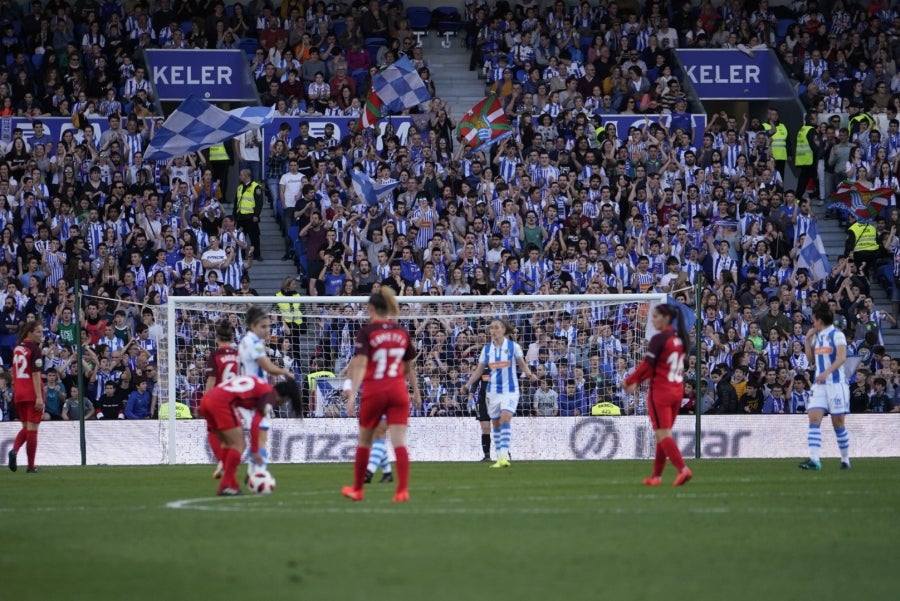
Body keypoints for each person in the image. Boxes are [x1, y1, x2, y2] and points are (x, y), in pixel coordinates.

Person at [341, 288, 422, 502]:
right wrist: (415, 392)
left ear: (370, 309)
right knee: (399, 442)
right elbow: (408, 367)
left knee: (364, 441)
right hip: (398, 390)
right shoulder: (401, 332)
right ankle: (402, 490)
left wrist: (351, 393)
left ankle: (358, 489)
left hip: (375, 390)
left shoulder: (368, 332)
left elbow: (359, 364)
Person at [622, 304, 693, 486]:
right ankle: (656, 476)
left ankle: (683, 469)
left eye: (655, 316)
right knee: (663, 434)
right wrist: (637, 382)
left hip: (660, 392)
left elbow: (647, 364)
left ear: (666, 318)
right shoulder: (679, 338)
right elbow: (657, 365)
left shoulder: (659, 339)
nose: (652, 320)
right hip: (677, 390)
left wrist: (629, 380)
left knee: (663, 434)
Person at [198, 375, 300, 495]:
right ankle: (226, 485)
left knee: (228, 444)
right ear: (285, 398)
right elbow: (256, 423)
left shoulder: (261, 385)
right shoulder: (269, 397)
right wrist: (256, 451)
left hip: (208, 398)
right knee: (239, 444)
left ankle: (232, 484)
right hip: (222, 403)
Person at [461, 319, 538, 469]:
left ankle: (503, 455)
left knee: (504, 418)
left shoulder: (513, 347)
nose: (493, 331)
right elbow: (478, 370)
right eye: (491, 328)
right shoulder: (487, 350)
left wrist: (530, 375)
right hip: (492, 392)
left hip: (510, 390)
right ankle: (499, 455)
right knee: (495, 423)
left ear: (503, 330)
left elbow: (522, 364)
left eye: (496, 328)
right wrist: (467, 385)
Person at [238, 307, 294, 471]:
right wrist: (285, 372)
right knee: (261, 436)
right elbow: (266, 365)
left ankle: (252, 473)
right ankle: (260, 475)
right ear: (254, 326)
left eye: (268, 326)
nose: (267, 330)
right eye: (263, 326)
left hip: (251, 391)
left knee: (258, 437)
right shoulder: (252, 342)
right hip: (254, 393)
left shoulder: (246, 341)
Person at [799, 303, 852, 470]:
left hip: (836, 384)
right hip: (819, 386)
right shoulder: (817, 336)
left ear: (819, 320)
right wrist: (807, 340)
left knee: (838, 424)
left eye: (814, 319)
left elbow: (842, 358)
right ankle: (814, 460)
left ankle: (845, 459)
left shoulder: (837, 335)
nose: (812, 323)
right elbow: (810, 360)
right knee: (813, 418)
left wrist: (826, 372)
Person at [205, 320, 240, 479]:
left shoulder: (215, 355)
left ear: (217, 338)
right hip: (234, 400)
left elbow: (211, 381)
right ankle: (226, 463)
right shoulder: (238, 355)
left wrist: (205, 402)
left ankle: (222, 461)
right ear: (232, 338)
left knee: (213, 431)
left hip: (218, 400)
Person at [7, 321, 45, 473]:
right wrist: (39, 397)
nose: (41, 335)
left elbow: (13, 371)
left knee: (26, 427)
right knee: (33, 430)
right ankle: (31, 466)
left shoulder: (18, 348)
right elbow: (36, 374)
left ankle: (14, 450)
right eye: (38, 332)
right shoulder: (34, 350)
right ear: (29, 332)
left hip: (19, 394)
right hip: (31, 393)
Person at [233, 168, 264, 261]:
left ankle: (257, 255)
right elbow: (236, 203)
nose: (239, 176)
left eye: (241, 175)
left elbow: (259, 202)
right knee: (240, 238)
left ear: (246, 176)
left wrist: (256, 215)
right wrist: (234, 216)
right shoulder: (239, 187)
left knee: (254, 237)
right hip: (240, 217)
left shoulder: (256, 186)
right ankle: (241, 256)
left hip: (251, 217)